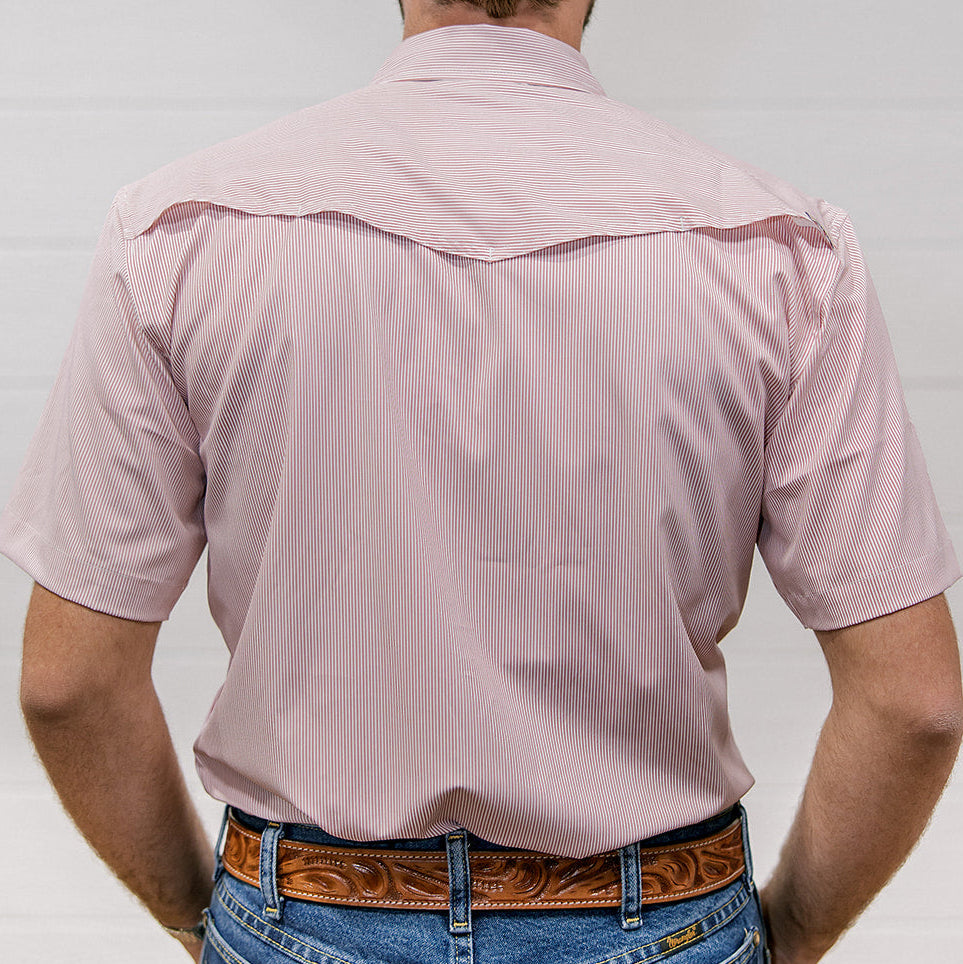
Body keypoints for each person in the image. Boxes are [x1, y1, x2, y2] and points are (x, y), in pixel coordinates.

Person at [3, 1, 961, 962]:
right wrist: (786, 936)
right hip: (667, 919)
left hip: (299, 913)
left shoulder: (180, 236)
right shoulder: (779, 252)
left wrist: (204, 917)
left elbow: (67, 681)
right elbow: (912, 702)